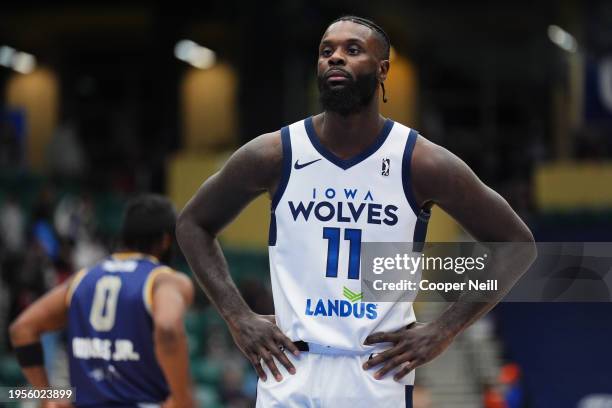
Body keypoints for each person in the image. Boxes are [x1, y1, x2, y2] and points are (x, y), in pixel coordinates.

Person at [176, 15, 536, 408]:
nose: (335, 58)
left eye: (352, 50)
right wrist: (237, 316)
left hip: (376, 372)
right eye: (326, 51)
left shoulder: (419, 162)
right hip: (291, 367)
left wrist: (445, 329)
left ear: (382, 69)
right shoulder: (276, 153)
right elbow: (193, 223)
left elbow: (517, 244)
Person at [10, 194, 196, 408]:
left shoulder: (82, 279)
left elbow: (22, 329)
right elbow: (168, 330)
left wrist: (47, 396)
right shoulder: (164, 280)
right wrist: (183, 399)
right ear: (165, 241)